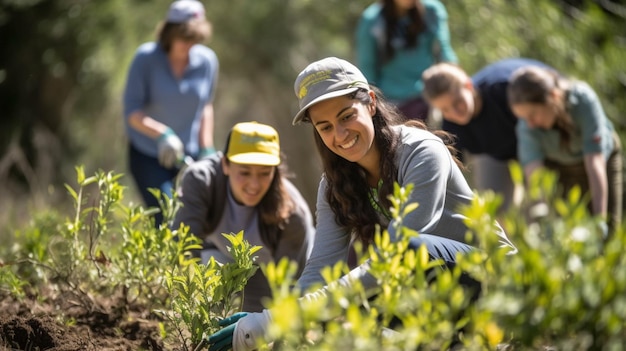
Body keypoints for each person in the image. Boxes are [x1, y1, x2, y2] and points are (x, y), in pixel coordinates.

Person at [207, 57, 516, 351]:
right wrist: (273, 321)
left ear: (369, 102)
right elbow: (319, 272)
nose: (340, 135)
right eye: (325, 127)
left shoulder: (422, 152)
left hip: (493, 285)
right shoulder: (333, 185)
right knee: (332, 306)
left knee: (403, 255)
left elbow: (399, 258)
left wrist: (272, 323)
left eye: (346, 116)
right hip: (435, 296)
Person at [172, 121, 316, 312]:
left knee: (258, 328)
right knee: (214, 309)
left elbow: (290, 291)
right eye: (245, 172)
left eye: (265, 173)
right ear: (225, 164)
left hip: (278, 271)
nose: (254, 185)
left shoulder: (293, 214)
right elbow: (183, 248)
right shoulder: (201, 182)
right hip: (222, 255)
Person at [123, 0, 219, 225]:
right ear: (169, 34)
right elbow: (132, 111)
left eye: (195, 39)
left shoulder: (207, 61)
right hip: (149, 155)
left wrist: (206, 148)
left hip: (190, 156)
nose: (190, 45)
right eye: (185, 39)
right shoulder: (145, 59)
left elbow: (206, 105)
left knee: (198, 218)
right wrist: (163, 134)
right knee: (168, 217)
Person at [421, 58, 554, 214]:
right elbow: (450, 173)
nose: (454, 112)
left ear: (468, 86)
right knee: (493, 210)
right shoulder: (450, 125)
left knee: (540, 205)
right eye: (445, 110)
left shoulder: (503, 90)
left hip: (538, 141)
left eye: (458, 102)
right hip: (496, 154)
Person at [507, 66, 622, 237]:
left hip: (600, 161)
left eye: (533, 114)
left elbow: (595, 163)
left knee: (609, 231)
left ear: (553, 97)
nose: (530, 123)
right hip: (561, 167)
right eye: (524, 118)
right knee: (569, 233)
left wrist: (599, 221)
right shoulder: (526, 127)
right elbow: (536, 178)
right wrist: (545, 219)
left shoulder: (582, 100)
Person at [355, 0, 457, 122]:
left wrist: (455, 82)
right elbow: (368, 68)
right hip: (392, 105)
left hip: (427, 98)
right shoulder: (372, 20)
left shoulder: (432, 11)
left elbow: (443, 50)